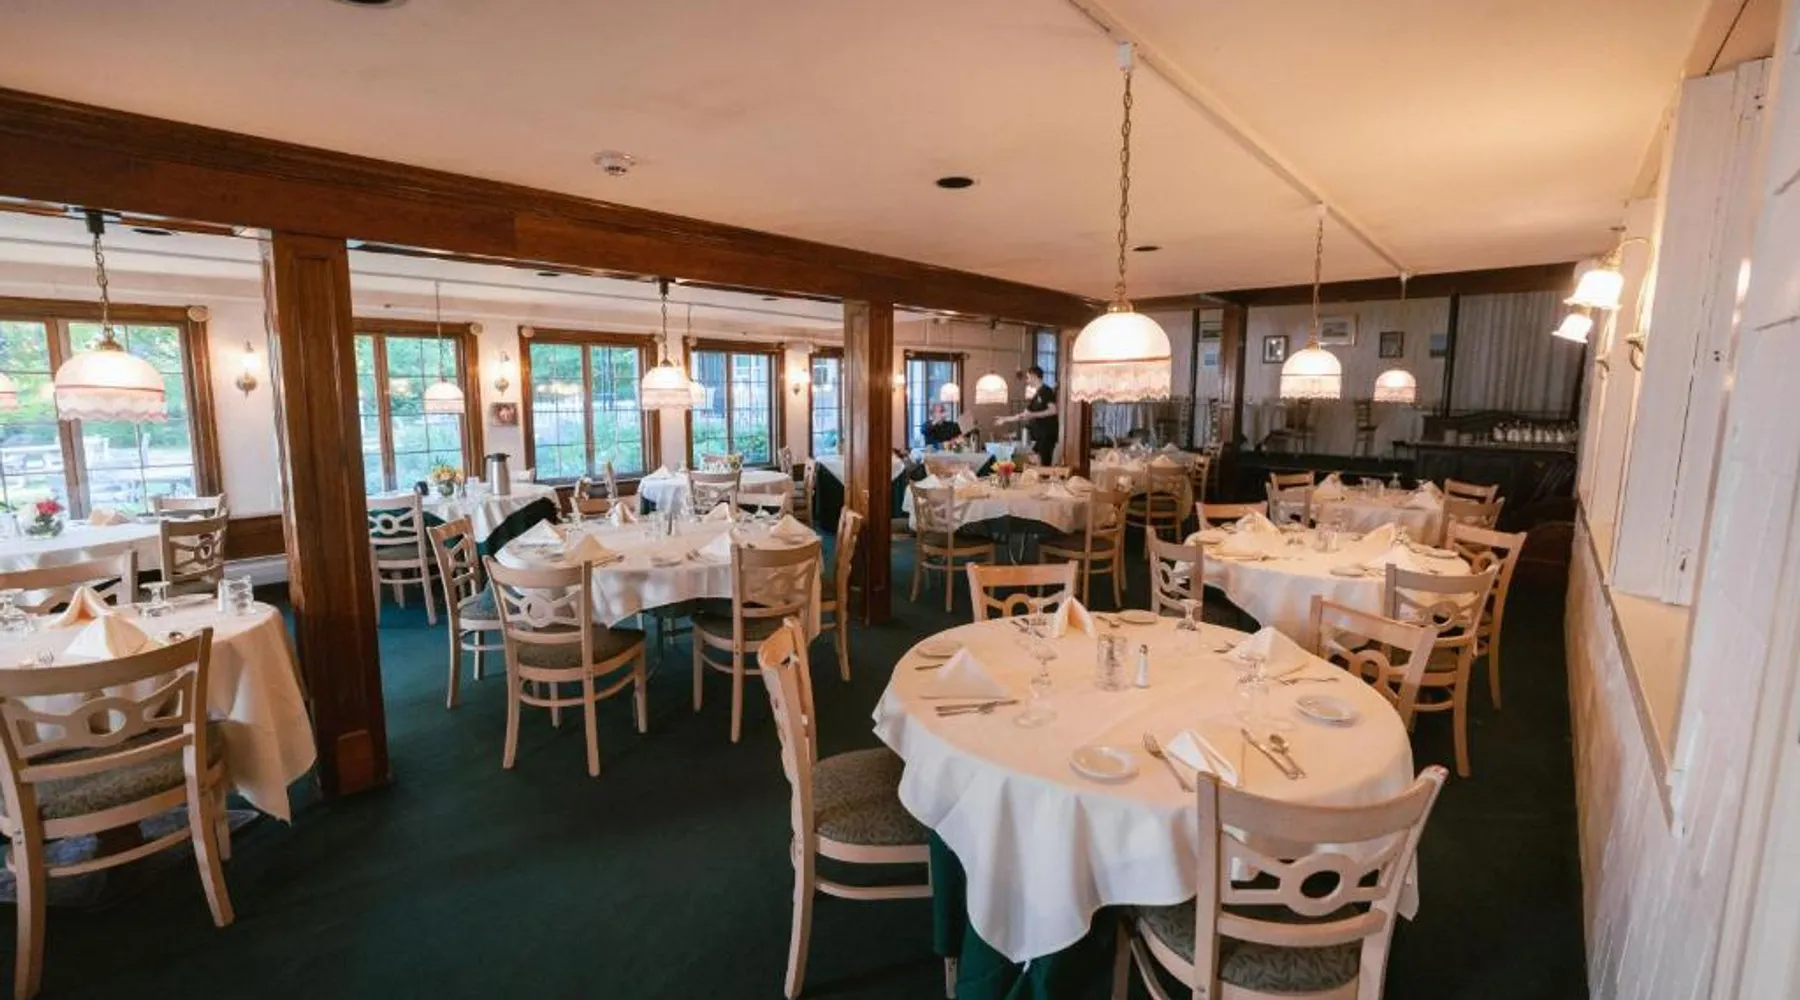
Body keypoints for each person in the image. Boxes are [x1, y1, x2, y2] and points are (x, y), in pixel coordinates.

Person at [996, 366, 1058, 465]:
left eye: (1028, 377)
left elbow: (1053, 410)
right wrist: (1005, 419)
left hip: (1047, 435)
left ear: (1034, 376)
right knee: (1033, 458)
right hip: (1040, 436)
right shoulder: (1036, 395)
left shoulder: (1046, 391)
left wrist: (1033, 414)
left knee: (1044, 464)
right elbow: (1024, 415)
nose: (1027, 381)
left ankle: (1044, 474)